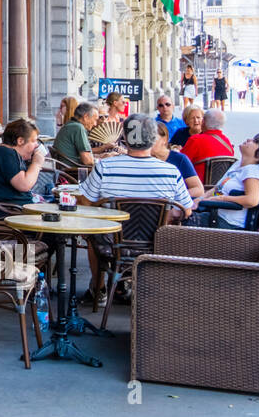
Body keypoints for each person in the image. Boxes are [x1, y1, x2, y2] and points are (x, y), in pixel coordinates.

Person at [76, 115, 195, 299]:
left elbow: (85, 202)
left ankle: (99, 290)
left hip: (113, 243)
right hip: (156, 242)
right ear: (153, 139)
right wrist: (169, 214)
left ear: (124, 137)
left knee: (93, 233)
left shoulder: (105, 167)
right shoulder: (171, 171)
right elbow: (187, 210)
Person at [186, 134, 259, 230]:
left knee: (180, 217)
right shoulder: (238, 164)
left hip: (229, 223)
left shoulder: (252, 170)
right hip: (215, 213)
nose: (248, 139)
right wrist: (200, 199)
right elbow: (218, 189)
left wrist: (222, 198)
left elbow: (252, 200)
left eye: (255, 141)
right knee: (180, 210)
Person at [0, 118, 52, 215]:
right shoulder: (6, 153)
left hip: (10, 211)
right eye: (34, 141)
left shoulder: (5, 153)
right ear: (20, 141)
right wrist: (37, 163)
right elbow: (24, 185)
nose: (36, 145)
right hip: (4, 215)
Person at [153, 120, 204, 201]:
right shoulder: (142, 159)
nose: (148, 142)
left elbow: (198, 189)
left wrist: (174, 198)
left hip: (174, 205)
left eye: (153, 139)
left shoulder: (179, 159)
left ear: (164, 139)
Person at [180, 107, 234, 182]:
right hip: (220, 184)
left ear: (204, 122)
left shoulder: (195, 140)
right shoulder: (227, 142)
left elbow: (181, 162)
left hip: (198, 184)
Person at [53, 100, 98, 167]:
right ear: (86, 117)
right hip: (73, 170)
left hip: (67, 168)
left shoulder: (71, 124)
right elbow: (88, 161)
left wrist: (101, 156)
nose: (95, 124)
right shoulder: (78, 128)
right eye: (95, 120)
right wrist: (100, 159)